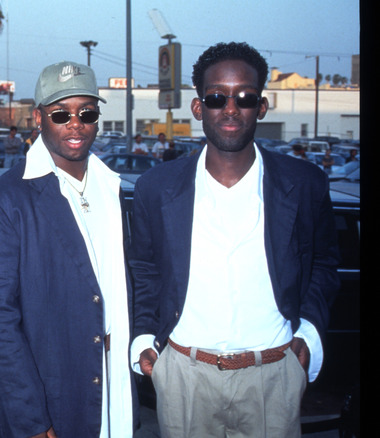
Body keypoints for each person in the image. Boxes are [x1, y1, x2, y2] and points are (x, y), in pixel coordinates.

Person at [129, 42, 340, 438]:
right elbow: (144, 268)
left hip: (274, 377)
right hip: (183, 378)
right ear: (198, 107)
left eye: (244, 97)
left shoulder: (304, 183)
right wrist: (144, 337)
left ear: (260, 107)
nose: (230, 108)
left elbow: (324, 265)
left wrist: (309, 332)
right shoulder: (156, 187)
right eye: (216, 97)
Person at [0, 61, 136, 437]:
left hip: (114, 387)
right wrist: (30, 418)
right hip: (53, 394)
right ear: (38, 118)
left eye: (86, 112)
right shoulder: (3, 201)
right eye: (61, 113)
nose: (75, 123)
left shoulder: (115, 190)